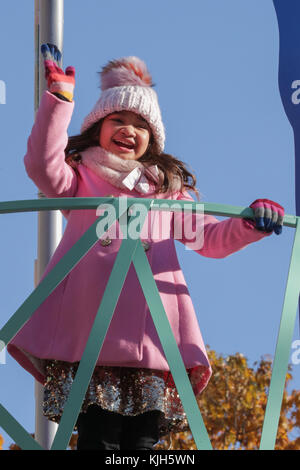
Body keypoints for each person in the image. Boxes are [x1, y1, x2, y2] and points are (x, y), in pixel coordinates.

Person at [7, 44, 285, 450]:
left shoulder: (167, 191)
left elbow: (209, 238)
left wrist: (249, 223)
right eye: (116, 118)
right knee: (97, 440)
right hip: (89, 339)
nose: (128, 129)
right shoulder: (81, 176)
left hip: (152, 345)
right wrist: (59, 100)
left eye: (141, 125)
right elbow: (42, 167)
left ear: (152, 139)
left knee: (143, 444)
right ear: (96, 127)